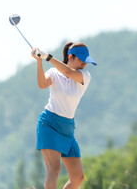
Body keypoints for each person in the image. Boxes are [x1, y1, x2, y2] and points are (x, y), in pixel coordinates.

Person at [32, 42, 97, 189]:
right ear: (70, 57)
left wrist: (47, 57)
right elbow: (42, 84)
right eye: (81, 60)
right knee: (54, 169)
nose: (84, 64)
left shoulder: (84, 76)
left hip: (67, 129)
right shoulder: (53, 73)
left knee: (78, 177)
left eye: (86, 61)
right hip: (49, 124)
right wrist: (39, 62)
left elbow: (68, 73)